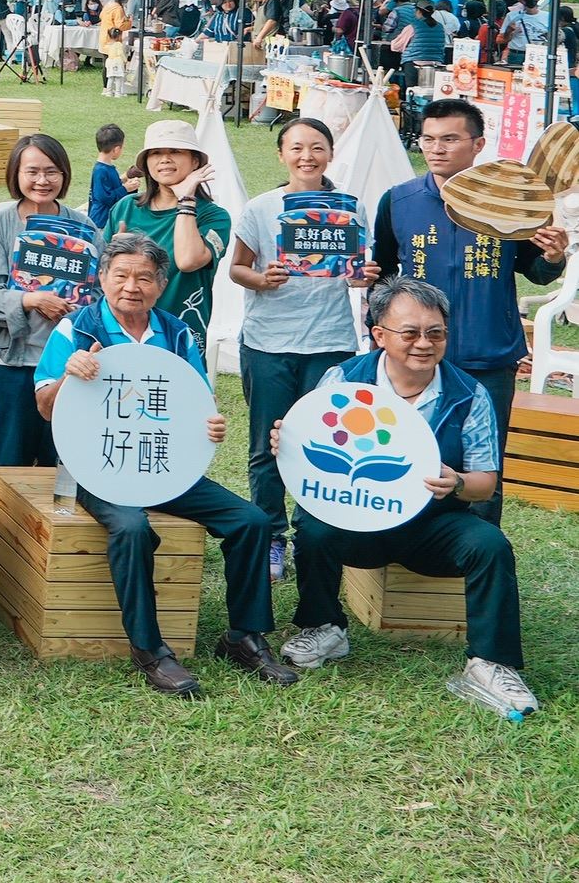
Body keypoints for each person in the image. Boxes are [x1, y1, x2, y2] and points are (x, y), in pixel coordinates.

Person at [33, 234, 298, 697]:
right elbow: (45, 408)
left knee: (251, 521)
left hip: (161, 462)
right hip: (94, 465)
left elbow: (197, 405)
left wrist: (210, 427)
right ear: (102, 279)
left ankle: (244, 635)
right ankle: (150, 649)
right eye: (121, 275)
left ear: (160, 284)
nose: (131, 286)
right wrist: (68, 377)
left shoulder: (175, 333)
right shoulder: (77, 330)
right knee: (132, 528)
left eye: (144, 277)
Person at [277, 280, 537, 718]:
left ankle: (493, 663)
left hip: (431, 525)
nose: (424, 343)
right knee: (313, 524)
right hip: (357, 520)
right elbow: (308, 446)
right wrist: (284, 441)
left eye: (435, 333)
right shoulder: (344, 379)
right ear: (379, 335)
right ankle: (324, 626)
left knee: (490, 545)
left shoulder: (469, 394)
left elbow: (485, 482)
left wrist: (456, 483)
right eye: (409, 332)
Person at [370, 96, 565, 525]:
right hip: (414, 356)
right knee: (403, 453)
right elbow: (382, 272)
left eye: (450, 139)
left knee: (482, 466)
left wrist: (552, 257)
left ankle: (476, 556)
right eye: (429, 139)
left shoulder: (511, 201)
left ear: (478, 145)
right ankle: (402, 547)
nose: (437, 148)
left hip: (488, 355)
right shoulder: (398, 201)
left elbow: (535, 271)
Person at [227, 117, 376, 577]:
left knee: (323, 442)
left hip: (330, 342)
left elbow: (356, 269)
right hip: (268, 342)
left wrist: (359, 278)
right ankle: (271, 537)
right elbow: (238, 269)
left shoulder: (351, 209)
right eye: (296, 148)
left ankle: (313, 533)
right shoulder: (262, 207)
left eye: (316, 147)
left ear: (331, 153)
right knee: (268, 444)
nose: (306, 156)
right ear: (281, 155)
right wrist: (262, 279)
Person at [0, 134, 100, 469]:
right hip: (8, 363)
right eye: (33, 171)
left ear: (64, 175)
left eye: (52, 171)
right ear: (16, 174)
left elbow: (101, 296)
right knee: (13, 461)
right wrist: (31, 299)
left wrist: (75, 309)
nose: (42, 180)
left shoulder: (84, 228)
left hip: (66, 365)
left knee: (64, 459)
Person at [101, 119, 231, 340]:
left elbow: (187, 261)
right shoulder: (126, 207)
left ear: (195, 161)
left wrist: (186, 199)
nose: (165, 159)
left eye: (175, 151)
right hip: (120, 333)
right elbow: (101, 275)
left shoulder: (213, 216)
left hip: (180, 336)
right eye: (156, 153)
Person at [86, 123, 129, 227]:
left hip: (106, 219)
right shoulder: (101, 170)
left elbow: (108, 186)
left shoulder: (106, 168)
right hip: (101, 221)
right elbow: (104, 197)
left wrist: (124, 178)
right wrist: (126, 189)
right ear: (116, 149)